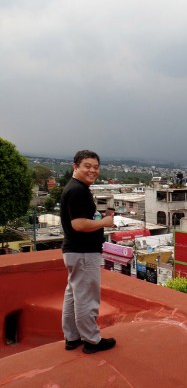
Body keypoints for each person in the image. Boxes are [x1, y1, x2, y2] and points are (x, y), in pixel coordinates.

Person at [60, 150, 116, 354]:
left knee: (74, 295)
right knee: (86, 297)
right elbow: (79, 224)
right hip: (83, 252)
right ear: (75, 166)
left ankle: (72, 337)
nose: (93, 170)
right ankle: (92, 340)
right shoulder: (78, 191)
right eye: (87, 166)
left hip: (75, 251)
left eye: (96, 167)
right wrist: (104, 222)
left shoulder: (76, 188)